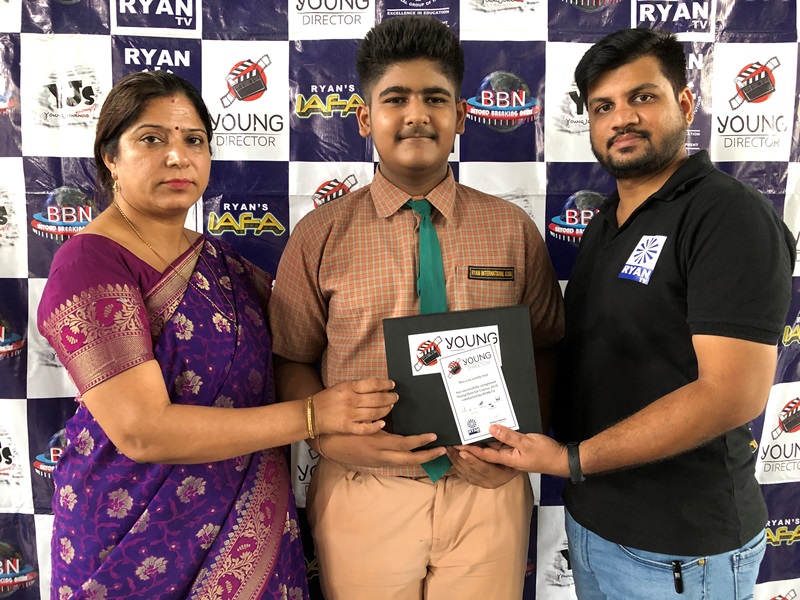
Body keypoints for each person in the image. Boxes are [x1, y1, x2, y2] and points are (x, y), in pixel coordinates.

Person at [36, 70, 398, 600]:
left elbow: (298, 345)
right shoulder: (89, 263)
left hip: (247, 530)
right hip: (130, 540)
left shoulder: (225, 264)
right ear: (111, 156)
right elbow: (142, 431)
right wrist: (313, 416)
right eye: (151, 139)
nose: (177, 157)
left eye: (194, 140)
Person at [463, 28, 795, 599]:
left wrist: (571, 460)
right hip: (596, 525)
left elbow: (733, 394)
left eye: (642, 97)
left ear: (684, 102)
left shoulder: (726, 215)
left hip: (681, 549)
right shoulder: (607, 222)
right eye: (603, 107)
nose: (622, 118)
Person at [268, 15, 564, 600]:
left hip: (488, 489)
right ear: (364, 118)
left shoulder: (512, 228)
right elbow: (291, 357)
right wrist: (328, 439)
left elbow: (547, 347)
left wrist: (520, 445)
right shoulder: (320, 234)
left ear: (460, 115)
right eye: (395, 98)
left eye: (435, 98)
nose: (416, 114)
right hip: (362, 487)